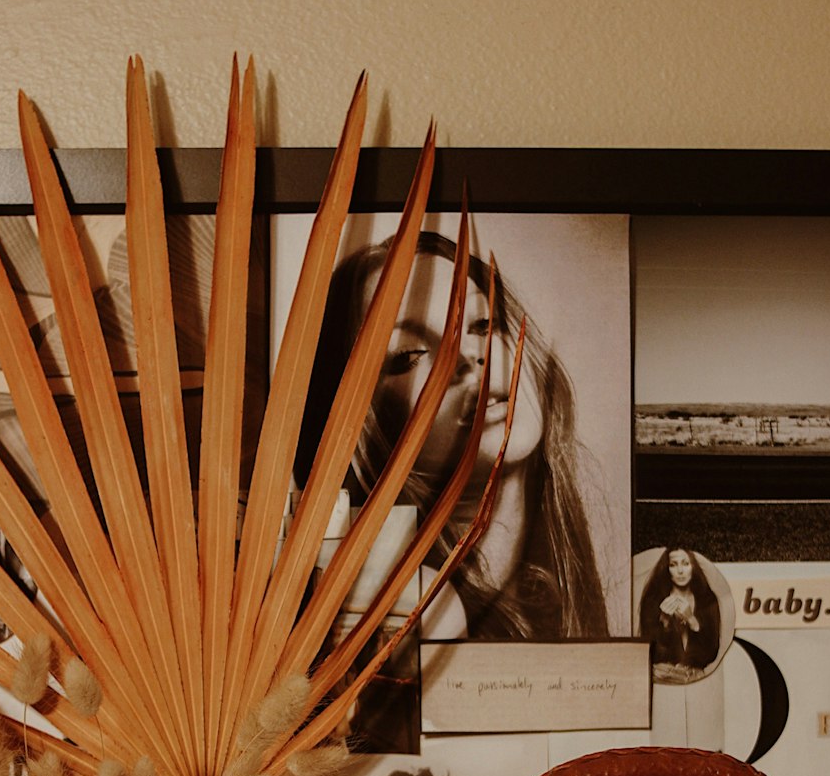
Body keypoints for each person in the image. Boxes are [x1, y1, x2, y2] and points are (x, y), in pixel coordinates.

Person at [298, 231, 610, 643]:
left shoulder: (564, 579)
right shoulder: (401, 615)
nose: (466, 358)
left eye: (483, 325)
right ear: (362, 426)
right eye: (409, 355)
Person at [637, 546, 721, 682]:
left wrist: (692, 621)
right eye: (673, 565)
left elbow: (711, 653)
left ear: (694, 567)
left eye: (686, 564)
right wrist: (664, 623)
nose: (680, 571)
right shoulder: (652, 600)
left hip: (696, 679)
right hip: (662, 678)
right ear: (667, 569)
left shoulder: (707, 600)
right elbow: (651, 654)